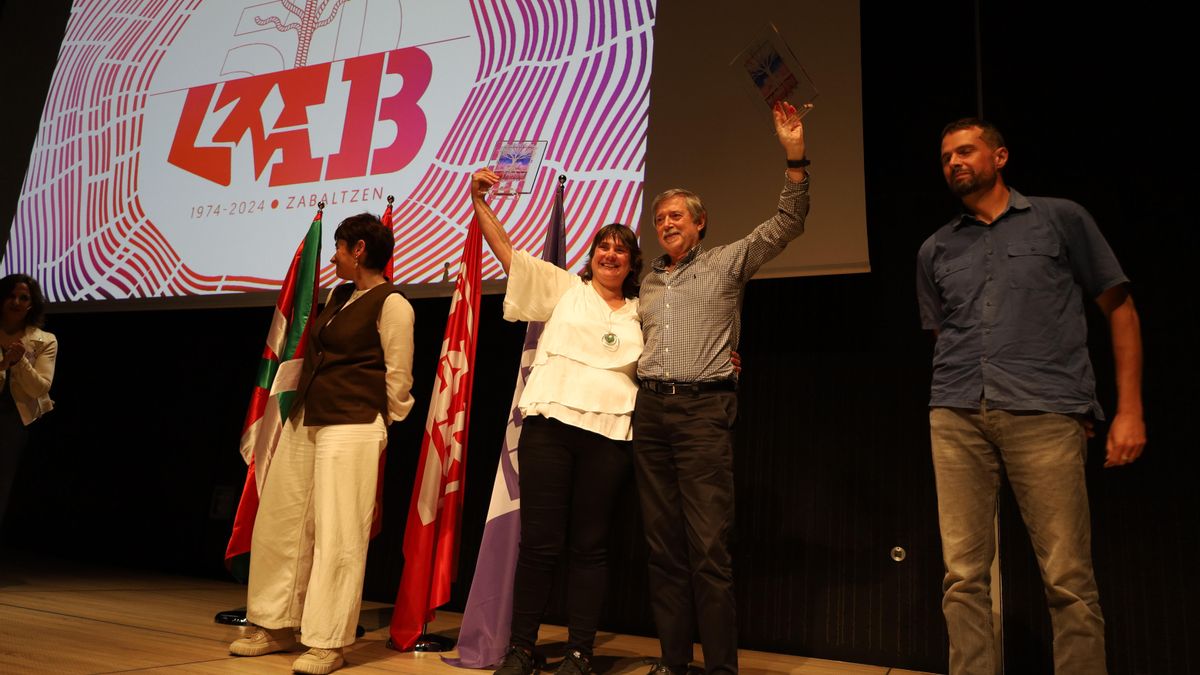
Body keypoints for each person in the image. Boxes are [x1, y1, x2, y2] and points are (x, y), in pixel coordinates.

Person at [916, 118, 1145, 674]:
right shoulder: (935, 248)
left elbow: (1120, 310)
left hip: (1044, 410)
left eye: (966, 151)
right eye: (946, 156)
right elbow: (944, 335)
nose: (954, 162)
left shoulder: (1060, 219)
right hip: (955, 412)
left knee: (1067, 579)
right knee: (962, 578)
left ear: (1000, 157)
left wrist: (1129, 410)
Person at [635, 101, 810, 675]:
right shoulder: (646, 283)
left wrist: (794, 156)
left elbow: (787, 223)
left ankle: (721, 670)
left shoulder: (729, 262)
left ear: (700, 223)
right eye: (660, 219)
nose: (667, 225)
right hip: (650, 415)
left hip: (702, 414)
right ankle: (672, 663)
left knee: (708, 551)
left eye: (677, 217)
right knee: (663, 553)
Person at [470, 169, 642, 675]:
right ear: (592, 255)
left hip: (610, 437)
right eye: (602, 246)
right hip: (548, 430)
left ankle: (579, 653)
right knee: (541, 543)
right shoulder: (565, 288)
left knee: (589, 546)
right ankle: (522, 649)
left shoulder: (643, 310)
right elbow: (508, 255)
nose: (610, 254)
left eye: (621, 249)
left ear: (632, 263)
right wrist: (480, 202)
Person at [228, 213, 415, 675]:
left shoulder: (394, 304)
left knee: (339, 535)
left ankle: (328, 641)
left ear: (359, 250)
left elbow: (399, 379)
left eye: (338, 247)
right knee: (282, 523)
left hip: (352, 423)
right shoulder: (337, 295)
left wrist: (377, 423)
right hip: (306, 418)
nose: (331, 257)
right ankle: (276, 624)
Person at [0, 274, 57, 529]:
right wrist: (3, 364)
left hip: (12, 419)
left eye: (24, 298)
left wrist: (20, 360)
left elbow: (40, 388)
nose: (16, 301)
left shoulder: (45, 340)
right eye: (11, 295)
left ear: (31, 305)